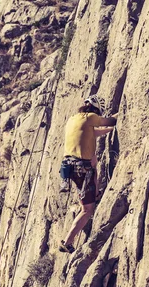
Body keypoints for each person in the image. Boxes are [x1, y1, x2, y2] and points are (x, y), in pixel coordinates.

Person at [59, 95, 117, 253]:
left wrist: (110, 131)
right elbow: (109, 122)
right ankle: (68, 241)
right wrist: (121, 115)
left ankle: (95, 195)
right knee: (87, 210)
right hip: (81, 169)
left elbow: (94, 134)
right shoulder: (91, 117)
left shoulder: (74, 119)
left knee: (93, 163)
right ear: (96, 110)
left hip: (69, 167)